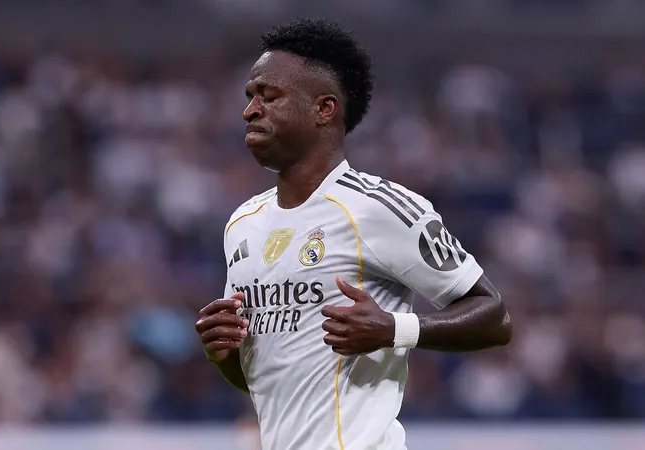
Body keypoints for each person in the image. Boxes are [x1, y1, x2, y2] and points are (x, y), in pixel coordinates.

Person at [195, 18, 512, 450]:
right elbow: (264, 381)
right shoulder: (242, 224)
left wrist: (395, 329)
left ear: (324, 109)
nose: (250, 110)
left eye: (270, 97)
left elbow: (495, 317)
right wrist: (223, 352)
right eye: (250, 96)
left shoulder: (379, 207)